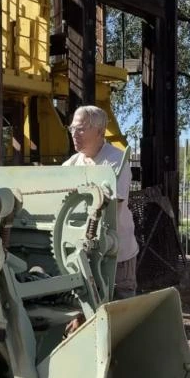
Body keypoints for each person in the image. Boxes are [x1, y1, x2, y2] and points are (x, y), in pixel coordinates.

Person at [62, 105, 140, 301]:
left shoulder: (115, 161)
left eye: (80, 128)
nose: (74, 134)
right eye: (72, 128)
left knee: (121, 307)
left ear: (100, 131)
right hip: (83, 252)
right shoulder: (71, 164)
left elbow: (112, 206)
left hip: (116, 253)